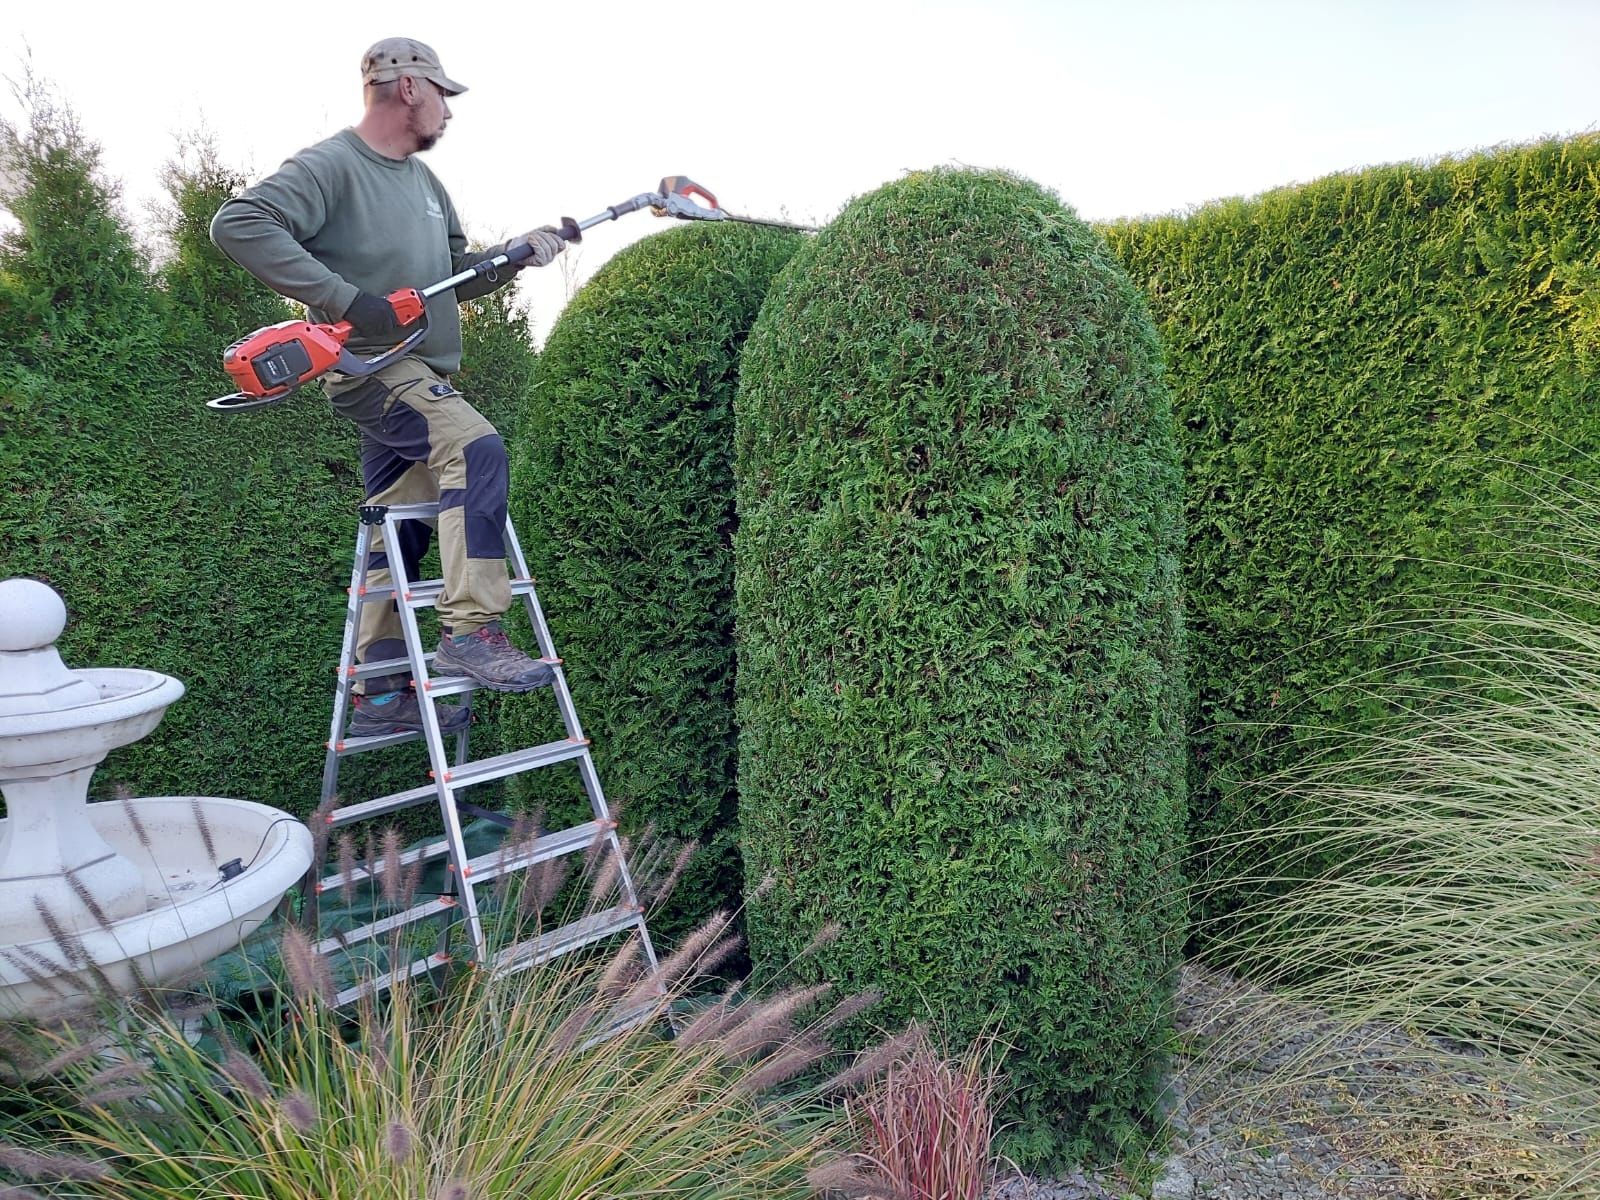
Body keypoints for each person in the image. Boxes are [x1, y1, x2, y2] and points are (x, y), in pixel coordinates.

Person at [211, 37, 565, 738]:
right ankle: (471, 630)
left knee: (396, 526)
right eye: (443, 94)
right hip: (373, 367)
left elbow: (458, 271)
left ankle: (379, 692)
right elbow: (237, 223)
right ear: (408, 88)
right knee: (476, 449)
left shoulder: (426, 185)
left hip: (421, 367)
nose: (448, 111)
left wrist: (514, 256)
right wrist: (345, 298)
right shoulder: (334, 166)